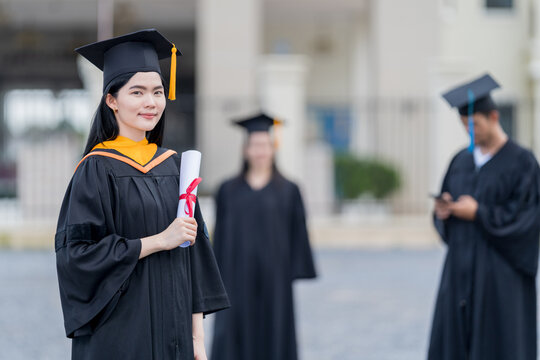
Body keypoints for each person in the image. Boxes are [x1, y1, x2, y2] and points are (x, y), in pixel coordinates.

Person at [55, 29, 229, 360]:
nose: (150, 102)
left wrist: (197, 341)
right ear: (112, 100)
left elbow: (195, 256)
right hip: (119, 334)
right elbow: (76, 256)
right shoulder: (96, 168)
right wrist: (157, 241)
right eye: (137, 92)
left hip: (174, 335)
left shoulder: (175, 167)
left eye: (157, 92)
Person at [428, 73, 540, 360]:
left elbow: (528, 219)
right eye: (465, 126)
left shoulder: (522, 162)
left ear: (493, 116)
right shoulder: (460, 161)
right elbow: (445, 219)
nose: (470, 134)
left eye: (474, 125)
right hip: (459, 273)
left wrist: (479, 212)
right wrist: (444, 212)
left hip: (501, 277)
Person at [210, 113, 317, 360]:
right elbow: (221, 238)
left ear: (273, 149)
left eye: (265, 145)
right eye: (255, 145)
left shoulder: (289, 189)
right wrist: (214, 274)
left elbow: (298, 233)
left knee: (275, 329)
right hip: (236, 277)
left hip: (275, 279)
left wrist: (295, 269)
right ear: (245, 149)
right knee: (233, 331)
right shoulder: (228, 190)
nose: (260, 151)